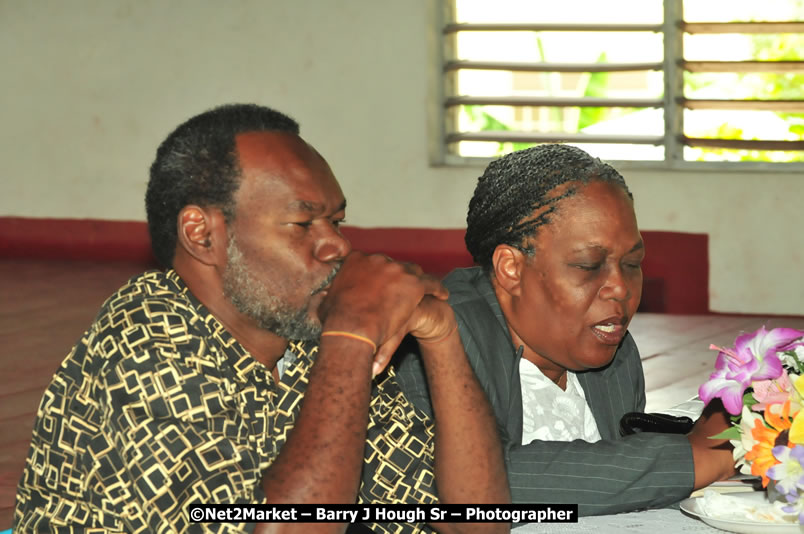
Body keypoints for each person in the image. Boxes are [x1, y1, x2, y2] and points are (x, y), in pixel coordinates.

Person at [14, 104, 510, 534]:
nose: (337, 244)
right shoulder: (146, 342)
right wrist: (351, 332)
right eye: (302, 223)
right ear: (202, 234)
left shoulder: (306, 331)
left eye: (336, 221)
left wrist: (441, 335)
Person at [394, 144, 735, 517]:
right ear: (511, 268)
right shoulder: (435, 339)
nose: (620, 288)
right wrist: (691, 459)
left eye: (632, 263)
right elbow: (476, 486)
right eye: (589, 265)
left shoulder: (612, 350)